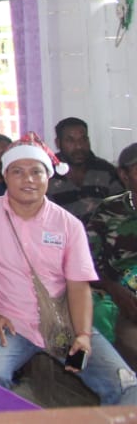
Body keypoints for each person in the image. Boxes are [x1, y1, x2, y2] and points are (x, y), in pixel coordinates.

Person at [0, 135, 137, 405]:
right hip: (9, 325)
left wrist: (82, 334)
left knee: (126, 385)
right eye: (18, 172)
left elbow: (78, 285)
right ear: (5, 176)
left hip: (62, 327)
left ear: (49, 177)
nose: (28, 179)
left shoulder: (68, 225)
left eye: (37, 171)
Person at [86, 142, 137, 366]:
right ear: (123, 175)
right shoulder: (108, 210)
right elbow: (86, 264)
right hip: (117, 292)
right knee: (95, 312)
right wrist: (114, 289)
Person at [49, 117, 124, 224]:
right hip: (61, 237)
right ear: (58, 143)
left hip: (103, 237)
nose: (79, 146)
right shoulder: (47, 173)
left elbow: (122, 208)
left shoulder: (105, 170)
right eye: (70, 140)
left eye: (83, 139)